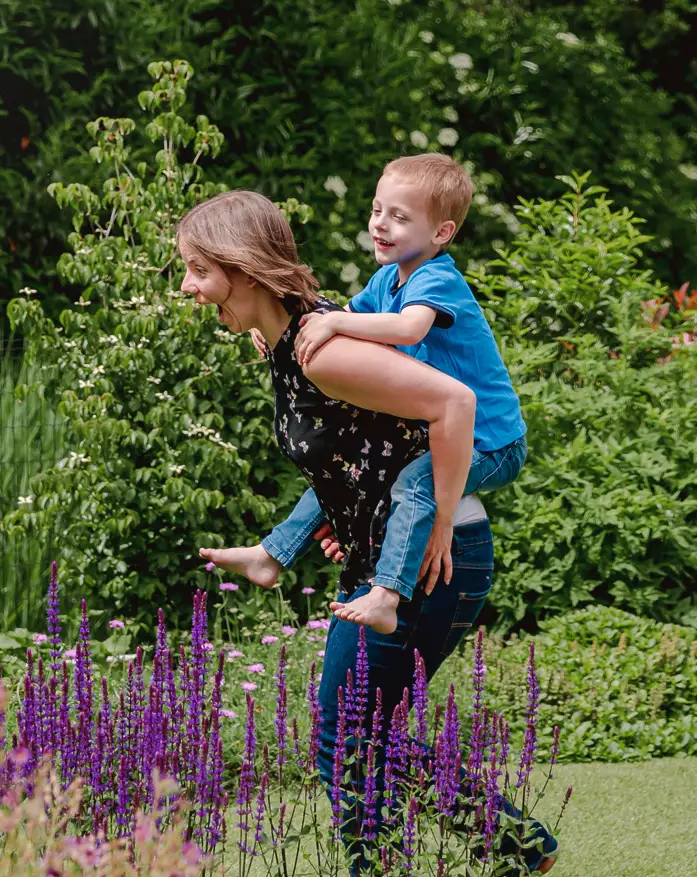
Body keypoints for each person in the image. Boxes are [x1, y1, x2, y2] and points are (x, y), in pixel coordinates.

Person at [177, 190, 555, 877]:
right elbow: (355, 454)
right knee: (359, 740)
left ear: (243, 269)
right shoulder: (282, 344)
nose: (187, 287)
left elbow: (452, 402)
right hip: (383, 555)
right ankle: (513, 845)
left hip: (432, 561)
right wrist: (306, 533)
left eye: (197, 270)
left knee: (345, 741)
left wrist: (441, 515)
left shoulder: (325, 347)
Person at [204, 154, 526, 636]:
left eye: (400, 217)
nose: (381, 224)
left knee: (416, 485)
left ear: (441, 233)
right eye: (378, 210)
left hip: (492, 440)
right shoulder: (386, 278)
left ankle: (387, 593)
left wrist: (442, 521)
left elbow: (403, 327)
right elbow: (336, 313)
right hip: (454, 429)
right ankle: (271, 554)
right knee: (336, 471)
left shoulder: (436, 279)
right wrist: (269, 324)